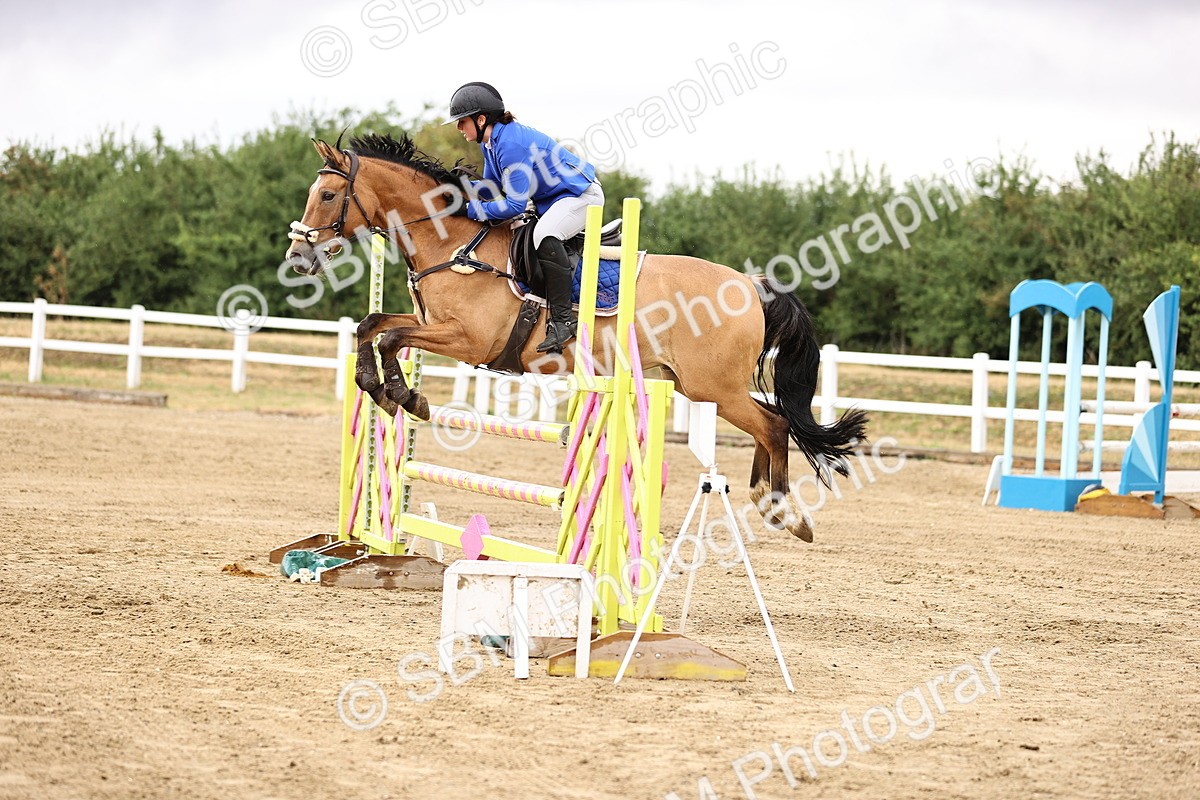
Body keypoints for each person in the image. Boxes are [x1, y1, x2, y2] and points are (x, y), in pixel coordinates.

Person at [447, 81, 604, 354]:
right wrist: (457, 193)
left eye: (462, 122)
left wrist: (469, 210)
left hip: (581, 196)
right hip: (554, 200)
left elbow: (514, 206)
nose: (459, 128)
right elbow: (490, 187)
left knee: (545, 235)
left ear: (481, 119)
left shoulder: (510, 145)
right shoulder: (491, 143)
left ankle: (563, 320)